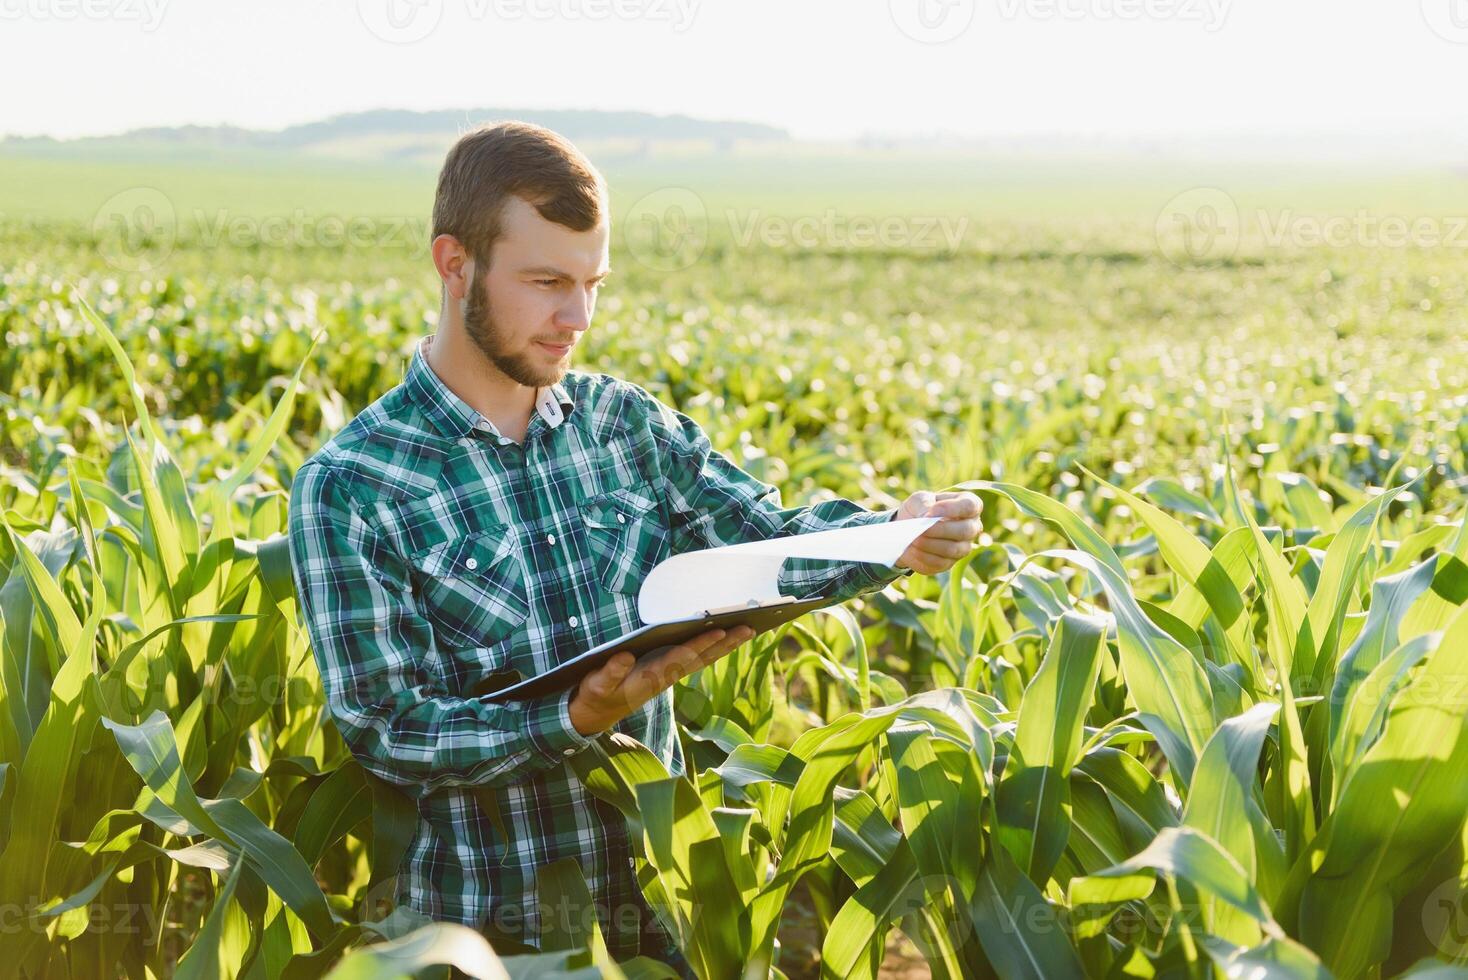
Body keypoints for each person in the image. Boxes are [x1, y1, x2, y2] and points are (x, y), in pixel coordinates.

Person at [287, 121, 983, 972]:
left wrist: (893, 536)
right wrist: (570, 718)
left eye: (592, 283)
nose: (576, 317)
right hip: (491, 942)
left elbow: (765, 540)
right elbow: (388, 728)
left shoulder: (626, 426)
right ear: (453, 262)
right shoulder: (354, 484)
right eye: (546, 281)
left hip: (664, 922)